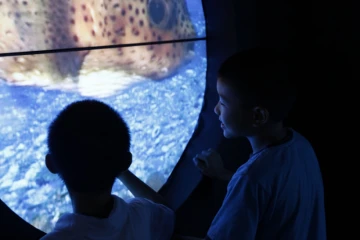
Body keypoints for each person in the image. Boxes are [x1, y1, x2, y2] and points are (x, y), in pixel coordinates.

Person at [176, 48, 327, 239]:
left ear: (258, 116)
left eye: (223, 102)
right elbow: (273, 193)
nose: (216, 110)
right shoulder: (301, 145)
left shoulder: (251, 178)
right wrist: (223, 174)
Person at [41, 99, 175, 240]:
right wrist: (116, 165)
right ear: (125, 162)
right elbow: (165, 212)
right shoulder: (141, 214)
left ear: (51, 164)